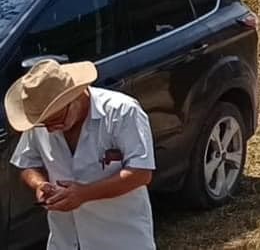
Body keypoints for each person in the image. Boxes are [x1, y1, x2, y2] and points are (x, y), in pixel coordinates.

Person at [6, 60, 157, 250]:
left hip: (121, 240)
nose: (50, 130)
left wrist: (84, 194)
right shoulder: (42, 120)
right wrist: (39, 184)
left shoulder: (123, 111)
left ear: (75, 96)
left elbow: (141, 173)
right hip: (64, 241)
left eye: (56, 120)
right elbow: (27, 162)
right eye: (44, 125)